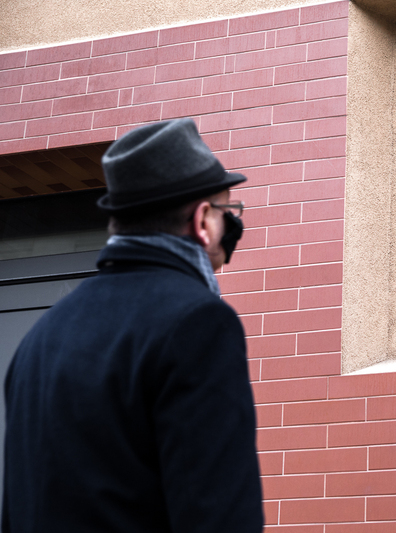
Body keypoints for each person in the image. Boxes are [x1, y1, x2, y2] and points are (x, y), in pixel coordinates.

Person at [2, 118, 263, 533]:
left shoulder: (39, 338)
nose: (232, 224)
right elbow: (220, 517)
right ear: (202, 221)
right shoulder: (198, 323)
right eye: (227, 211)